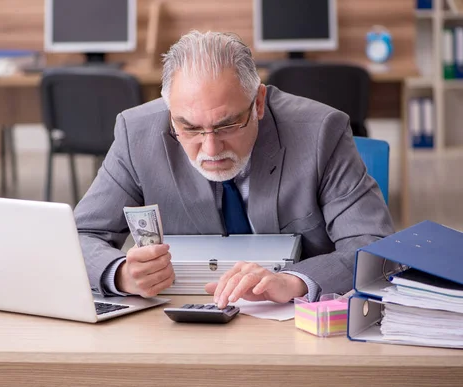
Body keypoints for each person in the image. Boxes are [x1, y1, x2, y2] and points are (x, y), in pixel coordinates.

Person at [74, 30, 394, 308]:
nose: (211, 150)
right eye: (189, 129)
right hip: (179, 313)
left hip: (293, 320)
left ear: (258, 103)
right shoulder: (137, 134)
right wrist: (120, 274)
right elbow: (78, 237)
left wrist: (294, 282)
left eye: (227, 126)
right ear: (170, 112)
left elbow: (375, 248)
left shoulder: (321, 133)